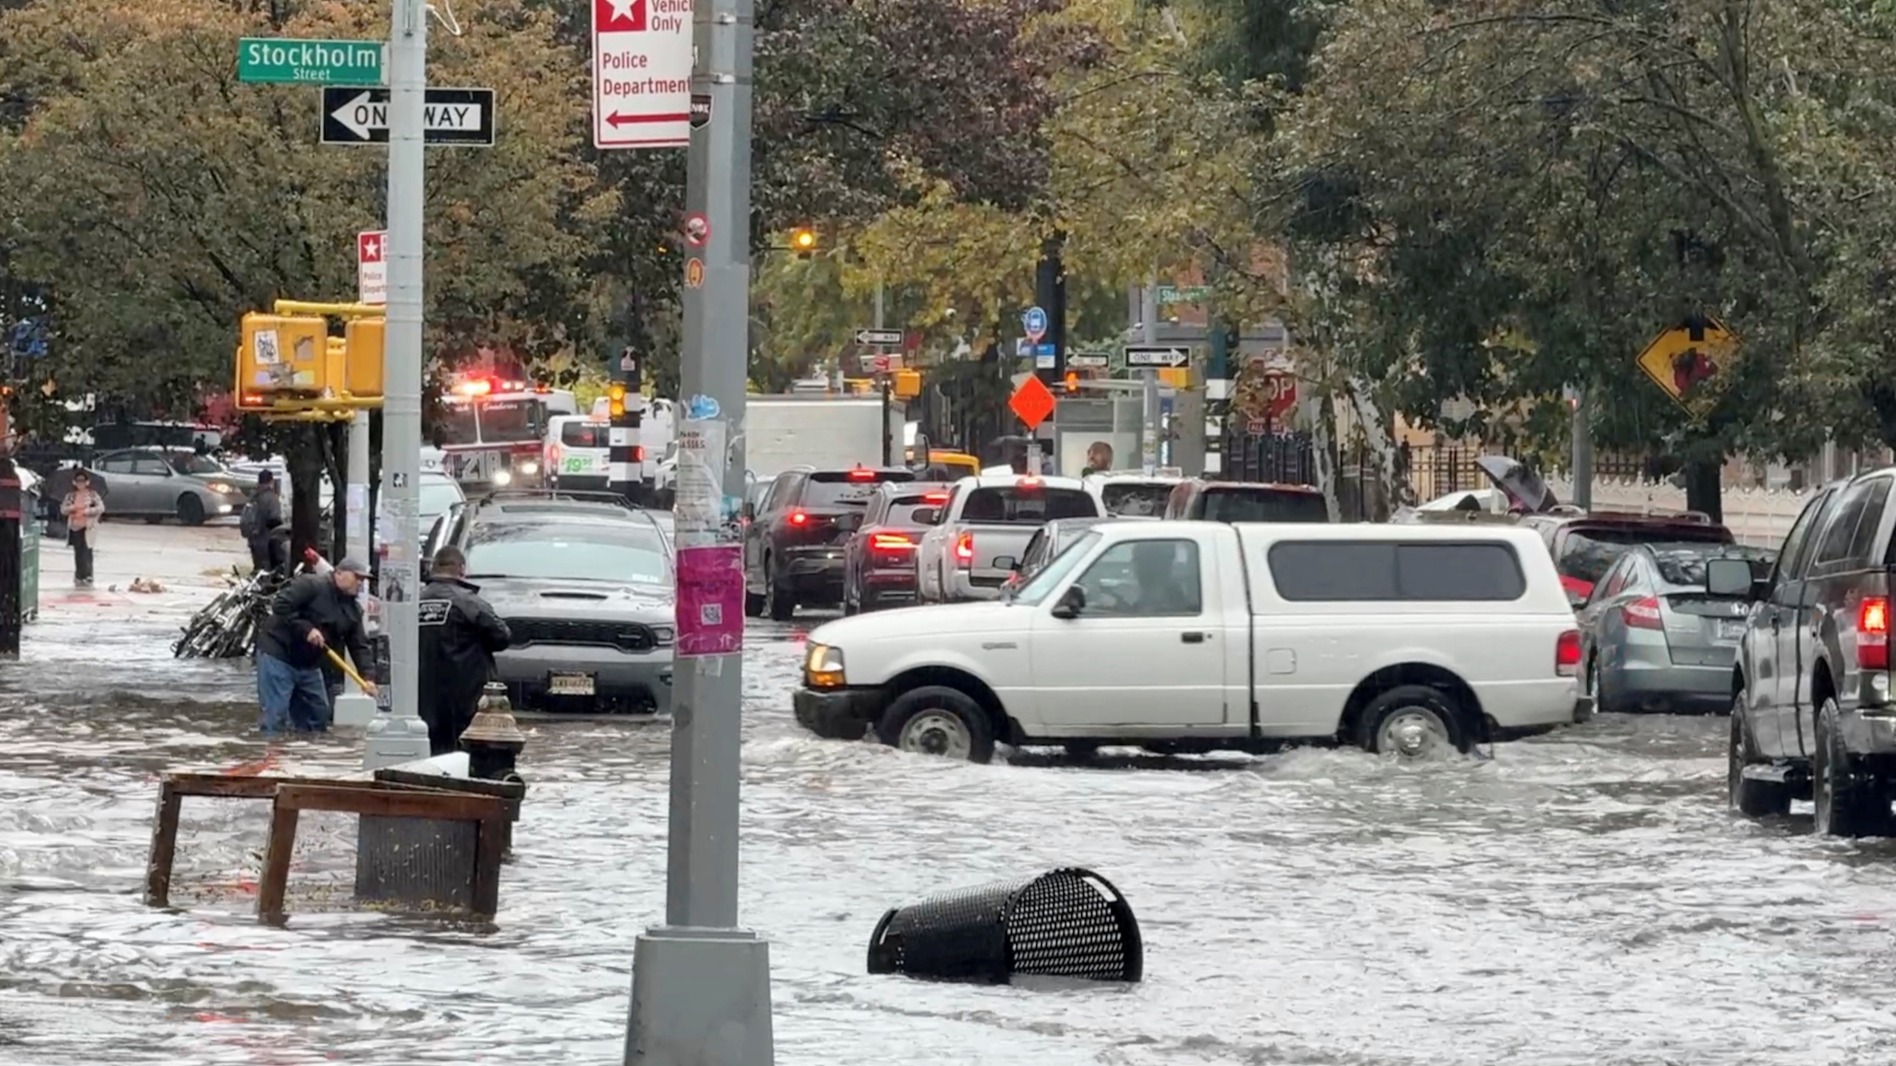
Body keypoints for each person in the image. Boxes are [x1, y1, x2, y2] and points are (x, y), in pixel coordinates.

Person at [255, 556, 377, 735]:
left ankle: (307, 755)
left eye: (363, 580)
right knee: (275, 714)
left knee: (318, 714)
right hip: (279, 654)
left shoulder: (353, 611)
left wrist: (368, 677)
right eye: (357, 577)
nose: (360, 583)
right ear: (339, 573)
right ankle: (271, 756)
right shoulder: (311, 585)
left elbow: (359, 646)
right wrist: (307, 629)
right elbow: (280, 606)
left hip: (309, 665)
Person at [418, 545, 513, 755]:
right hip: (466, 697)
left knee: (432, 755)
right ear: (461, 569)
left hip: (422, 700)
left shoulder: (414, 601)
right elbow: (502, 637)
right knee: (466, 757)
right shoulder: (469, 602)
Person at [60, 470, 105, 587]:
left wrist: (89, 511)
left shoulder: (93, 495)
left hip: (88, 527)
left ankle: (88, 575)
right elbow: (63, 509)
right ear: (74, 483)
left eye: (83, 481)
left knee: (87, 551)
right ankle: (79, 575)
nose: (81, 484)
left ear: (87, 482)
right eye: (78, 481)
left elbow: (101, 508)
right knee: (78, 552)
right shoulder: (71, 496)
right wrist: (71, 508)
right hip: (75, 527)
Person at [241, 471, 284, 573]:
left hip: (252, 539)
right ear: (271, 481)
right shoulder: (271, 498)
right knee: (266, 571)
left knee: (257, 568)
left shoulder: (253, 496)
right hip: (266, 541)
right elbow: (274, 519)